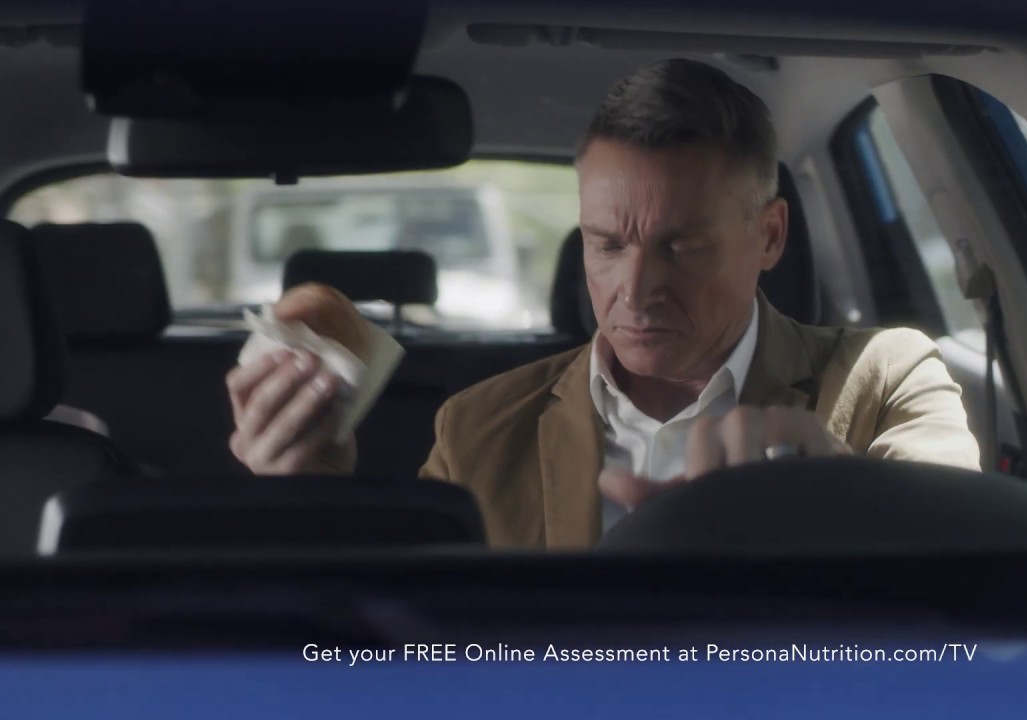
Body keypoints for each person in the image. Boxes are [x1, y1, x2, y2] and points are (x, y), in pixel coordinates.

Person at [226, 58, 981, 549]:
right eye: (607, 244)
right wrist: (308, 500)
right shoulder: (477, 427)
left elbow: (969, 571)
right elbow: (418, 646)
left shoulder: (885, 377)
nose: (636, 289)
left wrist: (840, 494)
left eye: (683, 247)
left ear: (770, 236)